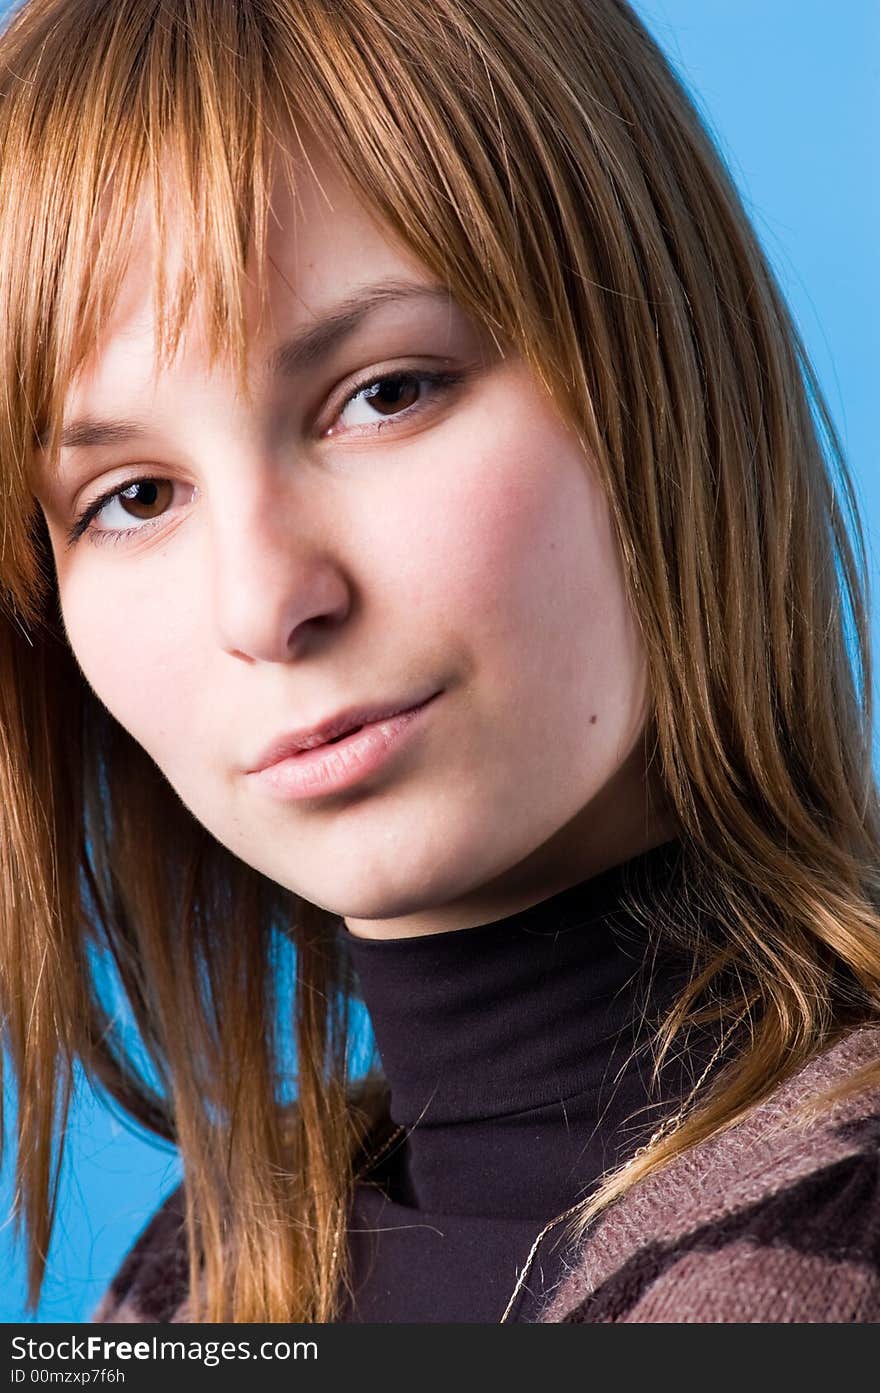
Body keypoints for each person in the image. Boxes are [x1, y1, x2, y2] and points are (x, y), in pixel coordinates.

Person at [0, 0, 878, 1326]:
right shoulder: (197, 1278)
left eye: (385, 392)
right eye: (132, 495)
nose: (267, 599)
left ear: (662, 374)